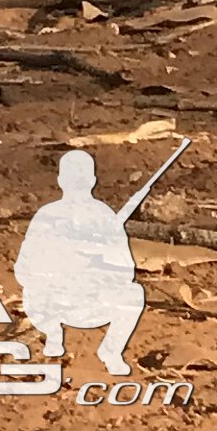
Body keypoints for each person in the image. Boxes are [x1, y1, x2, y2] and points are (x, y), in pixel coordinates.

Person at [16, 148, 147, 375]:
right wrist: (58, 268)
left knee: (134, 293)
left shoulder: (105, 216)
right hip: (53, 301)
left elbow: (126, 271)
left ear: (91, 181)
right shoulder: (47, 216)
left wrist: (100, 261)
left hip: (92, 300)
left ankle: (111, 351)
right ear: (61, 181)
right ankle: (53, 336)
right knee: (32, 292)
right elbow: (23, 269)